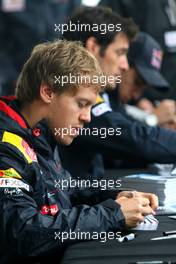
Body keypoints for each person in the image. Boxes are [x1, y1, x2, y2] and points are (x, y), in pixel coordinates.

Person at [0, 39, 158, 263]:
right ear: (48, 92)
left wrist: (116, 198)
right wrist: (112, 213)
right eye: (82, 104)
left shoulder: (39, 133)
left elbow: (63, 192)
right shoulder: (6, 145)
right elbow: (25, 232)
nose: (87, 117)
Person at [59, 6, 176, 180]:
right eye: (120, 53)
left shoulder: (100, 93)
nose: (125, 65)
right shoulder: (69, 90)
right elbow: (132, 137)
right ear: (94, 47)